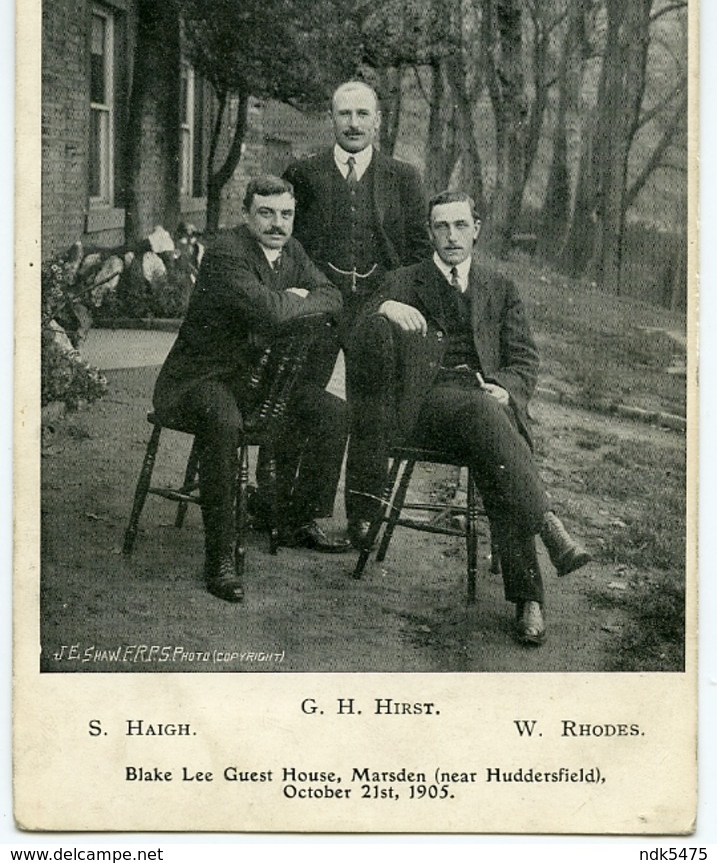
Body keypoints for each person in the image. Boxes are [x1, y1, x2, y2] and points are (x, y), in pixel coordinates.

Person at [347, 190, 591, 646]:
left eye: (460, 225)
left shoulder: (500, 286)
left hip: (483, 409)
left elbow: (524, 360)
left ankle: (529, 600)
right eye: (441, 227)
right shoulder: (405, 280)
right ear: (429, 232)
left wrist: (506, 388)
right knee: (492, 424)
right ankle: (546, 540)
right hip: (425, 408)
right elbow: (356, 324)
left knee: (494, 437)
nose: (451, 236)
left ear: (476, 228)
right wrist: (383, 307)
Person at [153, 175, 351, 604]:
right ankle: (220, 558)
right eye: (266, 213)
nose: (277, 224)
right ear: (246, 215)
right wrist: (298, 299)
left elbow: (333, 296)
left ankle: (296, 518)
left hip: (256, 383)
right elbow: (271, 314)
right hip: (201, 378)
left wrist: (295, 298)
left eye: (286, 214)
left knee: (332, 413)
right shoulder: (227, 253)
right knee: (224, 424)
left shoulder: (292, 250)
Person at [283, 79, 430, 544]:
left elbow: (418, 253)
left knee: (372, 407)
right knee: (311, 400)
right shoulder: (304, 174)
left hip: (377, 305)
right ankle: (298, 511)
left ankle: (364, 515)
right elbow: (289, 243)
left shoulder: (402, 178)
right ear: (332, 119)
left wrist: (395, 299)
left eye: (362, 114)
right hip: (322, 303)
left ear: (377, 121)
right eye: (344, 114)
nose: (353, 123)